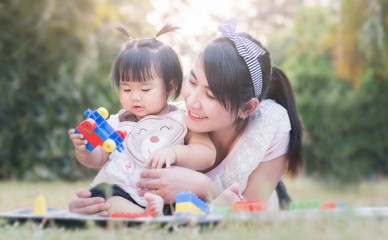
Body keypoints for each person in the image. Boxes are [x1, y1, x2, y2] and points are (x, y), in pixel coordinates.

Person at [68, 19, 303, 216]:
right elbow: (112, 164)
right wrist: (92, 200)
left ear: (247, 108)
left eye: (210, 95)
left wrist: (202, 186)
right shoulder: (169, 118)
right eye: (192, 82)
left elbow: (253, 216)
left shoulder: (269, 125)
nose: (191, 101)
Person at [68, 24, 216, 216]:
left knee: (191, 205)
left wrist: (174, 152)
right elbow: (99, 159)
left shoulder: (181, 119)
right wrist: (85, 150)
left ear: (170, 88)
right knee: (106, 200)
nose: (135, 97)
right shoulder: (117, 122)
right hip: (122, 192)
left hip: (165, 193)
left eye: (145, 89)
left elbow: (206, 154)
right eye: (126, 89)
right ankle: (143, 217)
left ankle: (157, 214)